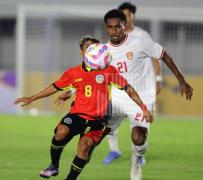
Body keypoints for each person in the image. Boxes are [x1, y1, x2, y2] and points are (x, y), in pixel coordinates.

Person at [15, 39, 152, 180]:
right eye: (86, 47)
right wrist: (32, 97)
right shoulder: (73, 72)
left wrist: (143, 108)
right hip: (77, 115)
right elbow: (55, 86)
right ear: (83, 52)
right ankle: (54, 166)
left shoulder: (108, 70)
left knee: (84, 146)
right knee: (61, 132)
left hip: (98, 120)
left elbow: (127, 88)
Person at [103, 9, 193, 180]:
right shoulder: (103, 51)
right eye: (110, 27)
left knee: (138, 137)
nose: (114, 31)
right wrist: (72, 91)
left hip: (142, 97)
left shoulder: (140, 42)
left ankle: (136, 163)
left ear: (124, 25)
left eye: (118, 27)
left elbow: (163, 55)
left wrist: (181, 80)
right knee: (95, 133)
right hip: (118, 97)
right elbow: (90, 74)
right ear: (106, 28)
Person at [102, 2, 163, 165]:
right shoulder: (112, 41)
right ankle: (114, 151)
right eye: (124, 15)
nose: (127, 18)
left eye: (129, 15)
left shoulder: (142, 36)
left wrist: (158, 79)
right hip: (119, 89)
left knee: (137, 128)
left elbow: (155, 56)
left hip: (141, 89)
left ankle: (139, 155)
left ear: (132, 16)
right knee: (108, 121)